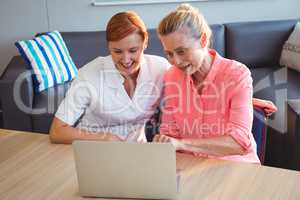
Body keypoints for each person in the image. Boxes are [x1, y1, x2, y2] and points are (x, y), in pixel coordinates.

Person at [153, 4, 261, 163]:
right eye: (169, 54)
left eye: (182, 51)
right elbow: (170, 132)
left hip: (235, 165)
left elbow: (238, 142)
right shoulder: (172, 77)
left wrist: (181, 144)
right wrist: (165, 142)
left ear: (203, 40)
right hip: (190, 165)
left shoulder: (237, 75)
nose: (176, 61)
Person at [49, 11, 170, 144]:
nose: (126, 59)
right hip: (92, 147)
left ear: (145, 42)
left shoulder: (160, 68)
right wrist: (105, 138)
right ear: (108, 47)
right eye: (117, 51)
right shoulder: (89, 74)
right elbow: (57, 131)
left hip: (137, 150)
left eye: (133, 50)